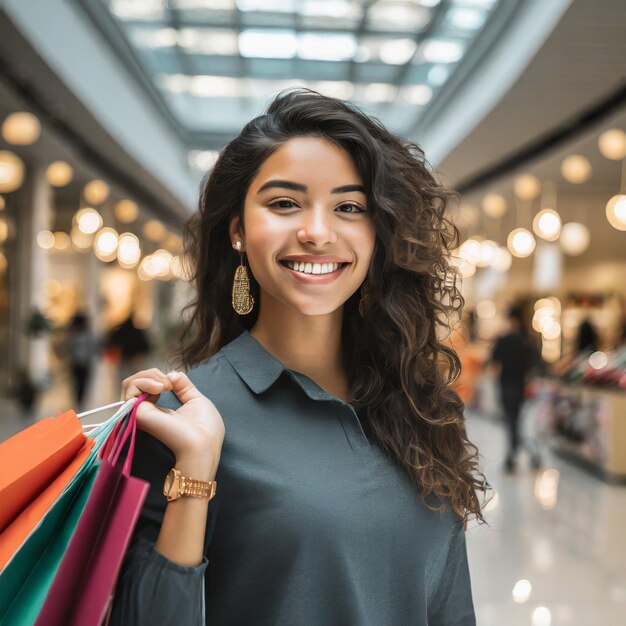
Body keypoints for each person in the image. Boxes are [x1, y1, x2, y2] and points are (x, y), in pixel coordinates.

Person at [109, 89, 488, 626]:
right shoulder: (181, 419)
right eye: (284, 203)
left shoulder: (418, 400)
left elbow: (449, 603)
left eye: (349, 207)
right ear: (238, 229)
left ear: (378, 233)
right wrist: (195, 470)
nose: (316, 231)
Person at [488, 305, 540, 473]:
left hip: (507, 385)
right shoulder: (527, 341)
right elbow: (533, 365)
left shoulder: (503, 340)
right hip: (521, 387)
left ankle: (513, 457)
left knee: (512, 422)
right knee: (515, 422)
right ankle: (522, 454)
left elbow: (494, 366)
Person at [67, 311, 99, 411]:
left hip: (85, 362)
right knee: (78, 383)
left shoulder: (86, 334)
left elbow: (94, 347)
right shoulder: (74, 334)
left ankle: (80, 401)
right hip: (77, 363)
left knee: (83, 383)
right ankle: (78, 401)